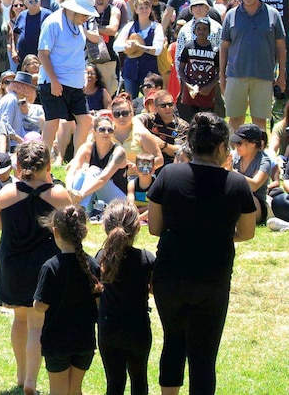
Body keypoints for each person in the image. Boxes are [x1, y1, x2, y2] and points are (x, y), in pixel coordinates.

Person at [148, 112, 256, 395]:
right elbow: (246, 233)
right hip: (212, 278)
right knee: (203, 355)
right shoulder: (237, 183)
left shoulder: (169, 175)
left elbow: (155, 228)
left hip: (170, 276)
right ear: (221, 147)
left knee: (173, 341)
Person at [0, 141, 71, 395]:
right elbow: (71, 230)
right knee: (37, 324)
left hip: (13, 263)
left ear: (18, 165)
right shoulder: (59, 195)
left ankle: (21, 374)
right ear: (47, 164)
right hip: (45, 267)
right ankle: (31, 382)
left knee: (20, 318)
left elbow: (0, 227)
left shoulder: (4, 195)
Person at [33, 205, 102, 395]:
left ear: (55, 232)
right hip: (84, 341)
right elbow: (98, 303)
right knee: (75, 390)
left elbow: (40, 306)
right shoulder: (93, 265)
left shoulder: (51, 267)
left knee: (58, 391)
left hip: (57, 342)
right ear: (84, 231)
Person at [96, 199, 155, 395]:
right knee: (139, 381)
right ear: (138, 228)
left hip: (108, 327)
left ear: (105, 226)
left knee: (114, 383)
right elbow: (155, 289)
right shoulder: (146, 258)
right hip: (138, 328)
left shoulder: (100, 258)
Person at [219, 0, 286, 131]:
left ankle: (259, 154)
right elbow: (224, 47)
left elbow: (281, 47)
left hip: (264, 76)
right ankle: (234, 154)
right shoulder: (231, 15)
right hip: (236, 75)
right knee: (235, 119)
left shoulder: (273, 14)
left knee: (259, 122)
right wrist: (222, 75)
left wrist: (281, 75)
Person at [37, 0, 97, 153]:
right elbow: (42, 54)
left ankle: (78, 162)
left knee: (85, 121)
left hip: (75, 83)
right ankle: (41, 162)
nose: (87, 18)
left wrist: (83, 74)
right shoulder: (53, 23)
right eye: (85, 14)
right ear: (74, 9)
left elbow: (77, 54)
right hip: (53, 83)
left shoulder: (79, 24)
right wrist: (54, 81)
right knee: (52, 122)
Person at [113, 0, 165, 97]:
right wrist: (128, 46)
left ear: (150, 9)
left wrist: (140, 47)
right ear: (136, 10)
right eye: (141, 8)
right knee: (130, 99)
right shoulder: (130, 26)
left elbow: (157, 50)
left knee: (151, 99)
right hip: (130, 70)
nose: (144, 10)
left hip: (149, 71)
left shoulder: (157, 27)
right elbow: (116, 46)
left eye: (146, 7)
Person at [177, 17, 220, 121]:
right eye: (199, 28)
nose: (201, 31)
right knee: (188, 121)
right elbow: (181, 68)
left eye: (205, 29)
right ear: (194, 30)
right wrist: (188, 85)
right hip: (190, 93)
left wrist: (209, 86)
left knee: (205, 122)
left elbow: (220, 72)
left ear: (209, 31)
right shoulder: (188, 47)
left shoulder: (214, 49)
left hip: (207, 93)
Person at [229, 123, 271, 225]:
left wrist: (231, 172)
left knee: (245, 196)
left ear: (252, 143)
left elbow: (254, 186)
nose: (236, 146)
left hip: (257, 204)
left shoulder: (264, 161)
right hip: (235, 198)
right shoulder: (234, 156)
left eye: (239, 143)